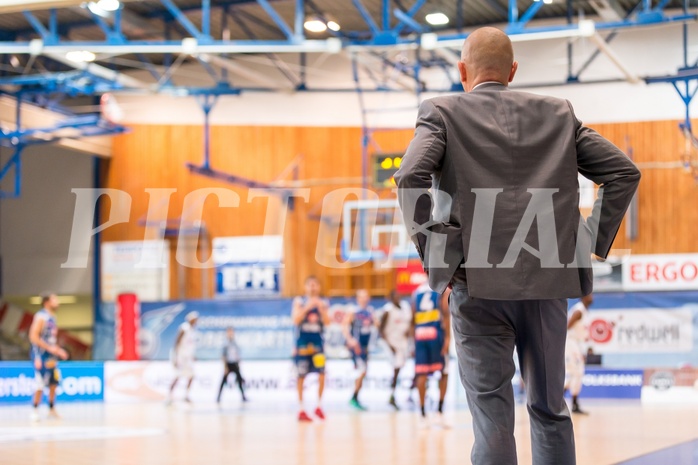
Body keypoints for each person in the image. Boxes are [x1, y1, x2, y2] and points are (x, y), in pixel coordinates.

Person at [394, 27, 640, 465]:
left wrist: (442, 260)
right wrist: (584, 246)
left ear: (462, 70)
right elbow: (623, 173)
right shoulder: (558, 113)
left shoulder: (441, 112)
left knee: (491, 418)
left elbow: (409, 177)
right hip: (547, 284)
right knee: (550, 412)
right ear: (512, 71)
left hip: (475, 285)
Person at [292, 275, 330, 422]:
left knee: (321, 375)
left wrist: (320, 308)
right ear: (306, 287)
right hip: (302, 346)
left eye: (315, 285)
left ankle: (319, 406)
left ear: (319, 287)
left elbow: (327, 322)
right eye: (310, 285)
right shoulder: (299, 301)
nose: (313, 287)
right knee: (301, 377)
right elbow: (295, 320)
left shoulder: (323, 302)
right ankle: (301, 409)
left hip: (318, 347)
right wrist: (308, 306)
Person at [412, 282, 451, 426]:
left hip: (420, 335)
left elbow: (412, 317)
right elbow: (445, 313)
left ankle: (422, 415)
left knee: (421, 374)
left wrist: (413, 340)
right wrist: (447, 339)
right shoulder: (441, 289)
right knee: (444, 372)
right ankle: (439, 412)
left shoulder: (417, 292)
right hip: (436, 335)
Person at [29, 293, 68, 422]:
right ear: (47, 302)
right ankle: (34, 409)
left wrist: (58, 350)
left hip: (51, 355)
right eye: (54, 299)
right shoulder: (41, 316)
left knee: (53, 382)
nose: (57, 302)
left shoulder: (53, 317)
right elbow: (33, 336)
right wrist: (39, 355)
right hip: (41, 354)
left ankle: (51, 408)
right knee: (40, 382)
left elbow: (50, 339)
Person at [378, 290, 412, 409]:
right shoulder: (387, 310)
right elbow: (380, 330)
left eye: (399, 295)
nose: (397, 298)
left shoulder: (405, 307)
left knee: (401, 368)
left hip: (402, 343)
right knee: (397, 368)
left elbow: (409, 323)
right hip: (391, 343)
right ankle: (392, 395)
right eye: (394, 296)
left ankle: (405, 393)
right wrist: (389, 345)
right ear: (390, 298)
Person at [343, 289, 375, 411]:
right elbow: (344, 327)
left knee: (364, 371)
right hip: (356, 347)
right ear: (357, 298)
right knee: (362, 371)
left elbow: (375, 326)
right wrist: (350, 340)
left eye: (366, 296)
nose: (364, 299)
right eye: (361, 297)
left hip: (365, 347)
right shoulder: (353, 311)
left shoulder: (370, 311)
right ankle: (354, 397)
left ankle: (355, 396)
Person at [565, 294, 594, 414]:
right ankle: (572, 404)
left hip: (575, 343)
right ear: (583, 298)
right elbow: (567, 327)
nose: (592, 297)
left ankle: (572, 403)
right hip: (570, 343)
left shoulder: (584, 311)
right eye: (589, 295)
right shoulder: (579, 311)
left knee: (575, 373)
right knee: (576, 371)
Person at [166, 311, 199, 405]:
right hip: (180, 357)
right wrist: (175, 357)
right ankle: (169, 396)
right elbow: (177, 342)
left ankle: (186, 395)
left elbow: (190, 345)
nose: (196, 321)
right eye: (194, 319)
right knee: (177, 376)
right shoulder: (184, 328)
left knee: (191, 376)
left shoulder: (193, 331)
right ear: (190, 319)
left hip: (188, 358)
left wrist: (193, 356)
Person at [217, 327, 247, 404]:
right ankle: (218, 397)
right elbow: (223, 356)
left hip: (235, 363)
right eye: (229, 332)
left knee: (240, 380)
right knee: (223, 381)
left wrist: (238, 363)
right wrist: (225, 367)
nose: (231, 334)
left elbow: (237, 354)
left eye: (232, 332)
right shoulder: (225, 344)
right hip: (228, 364)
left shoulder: (235, 343)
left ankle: (243, 396)